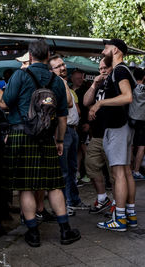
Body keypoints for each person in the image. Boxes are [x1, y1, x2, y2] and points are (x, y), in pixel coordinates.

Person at [0, 40, 80, 247]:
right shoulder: (57, 81)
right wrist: (59, 140)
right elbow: (62, 116)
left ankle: (33, 233)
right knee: (55, 185)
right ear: (48, 56)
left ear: (30, 56)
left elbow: (4, 103)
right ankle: (65, 230)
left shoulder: (20, 75)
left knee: (26, 187)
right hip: (46, 136)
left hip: (21, 135)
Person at [89, 38, 136, 231]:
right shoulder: (122, 70)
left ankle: (120, 218)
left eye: (106, 48)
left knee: (118, 174)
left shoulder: (120, 70)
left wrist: (100, 103)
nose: (103, 52)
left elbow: (127, 97)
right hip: (123, 126)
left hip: (118, 127)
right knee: (125, 172)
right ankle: (130, 215)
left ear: (115, 50)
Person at [49, 55, 89, 214]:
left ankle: (74, 200)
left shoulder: (66, 84)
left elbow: (75, 109)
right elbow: (68, 103)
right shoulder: (55, 85)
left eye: (63, 64)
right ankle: (64, 206)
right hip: (62, 132)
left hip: (73, 131)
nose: (62, 68)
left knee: (72, 169)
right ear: (52, 70)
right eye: (58, 66)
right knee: (64, 170)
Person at [83, 58, 114, 214]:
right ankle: (102, 199)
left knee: (115, 172)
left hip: (113, 133)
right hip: (97, 134)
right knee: (91, 165)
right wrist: (94, 85)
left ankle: (118, 203)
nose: (102, 70)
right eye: (100, 68)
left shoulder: (116, 82)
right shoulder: (99, 84)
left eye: (106, 67)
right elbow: (86, 101)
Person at [70, 69, 91, 183]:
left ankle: (88, 173)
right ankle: (77, 172)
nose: (80, 80)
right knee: (77, 149)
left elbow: (89, 108)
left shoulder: (85, 90)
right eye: (78, 78)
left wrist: (88, 123)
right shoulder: (68, 88)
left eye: (81, 78)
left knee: (84, 148)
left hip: (83, 124)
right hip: (74, 124)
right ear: (72, 79)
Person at [130, 68, 145, 180]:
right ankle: (136, 171)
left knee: (130, 145)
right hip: (142, 120)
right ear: (144, 77)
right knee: (141, 146)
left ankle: (128, 169)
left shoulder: (131, 87)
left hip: (131, 119)